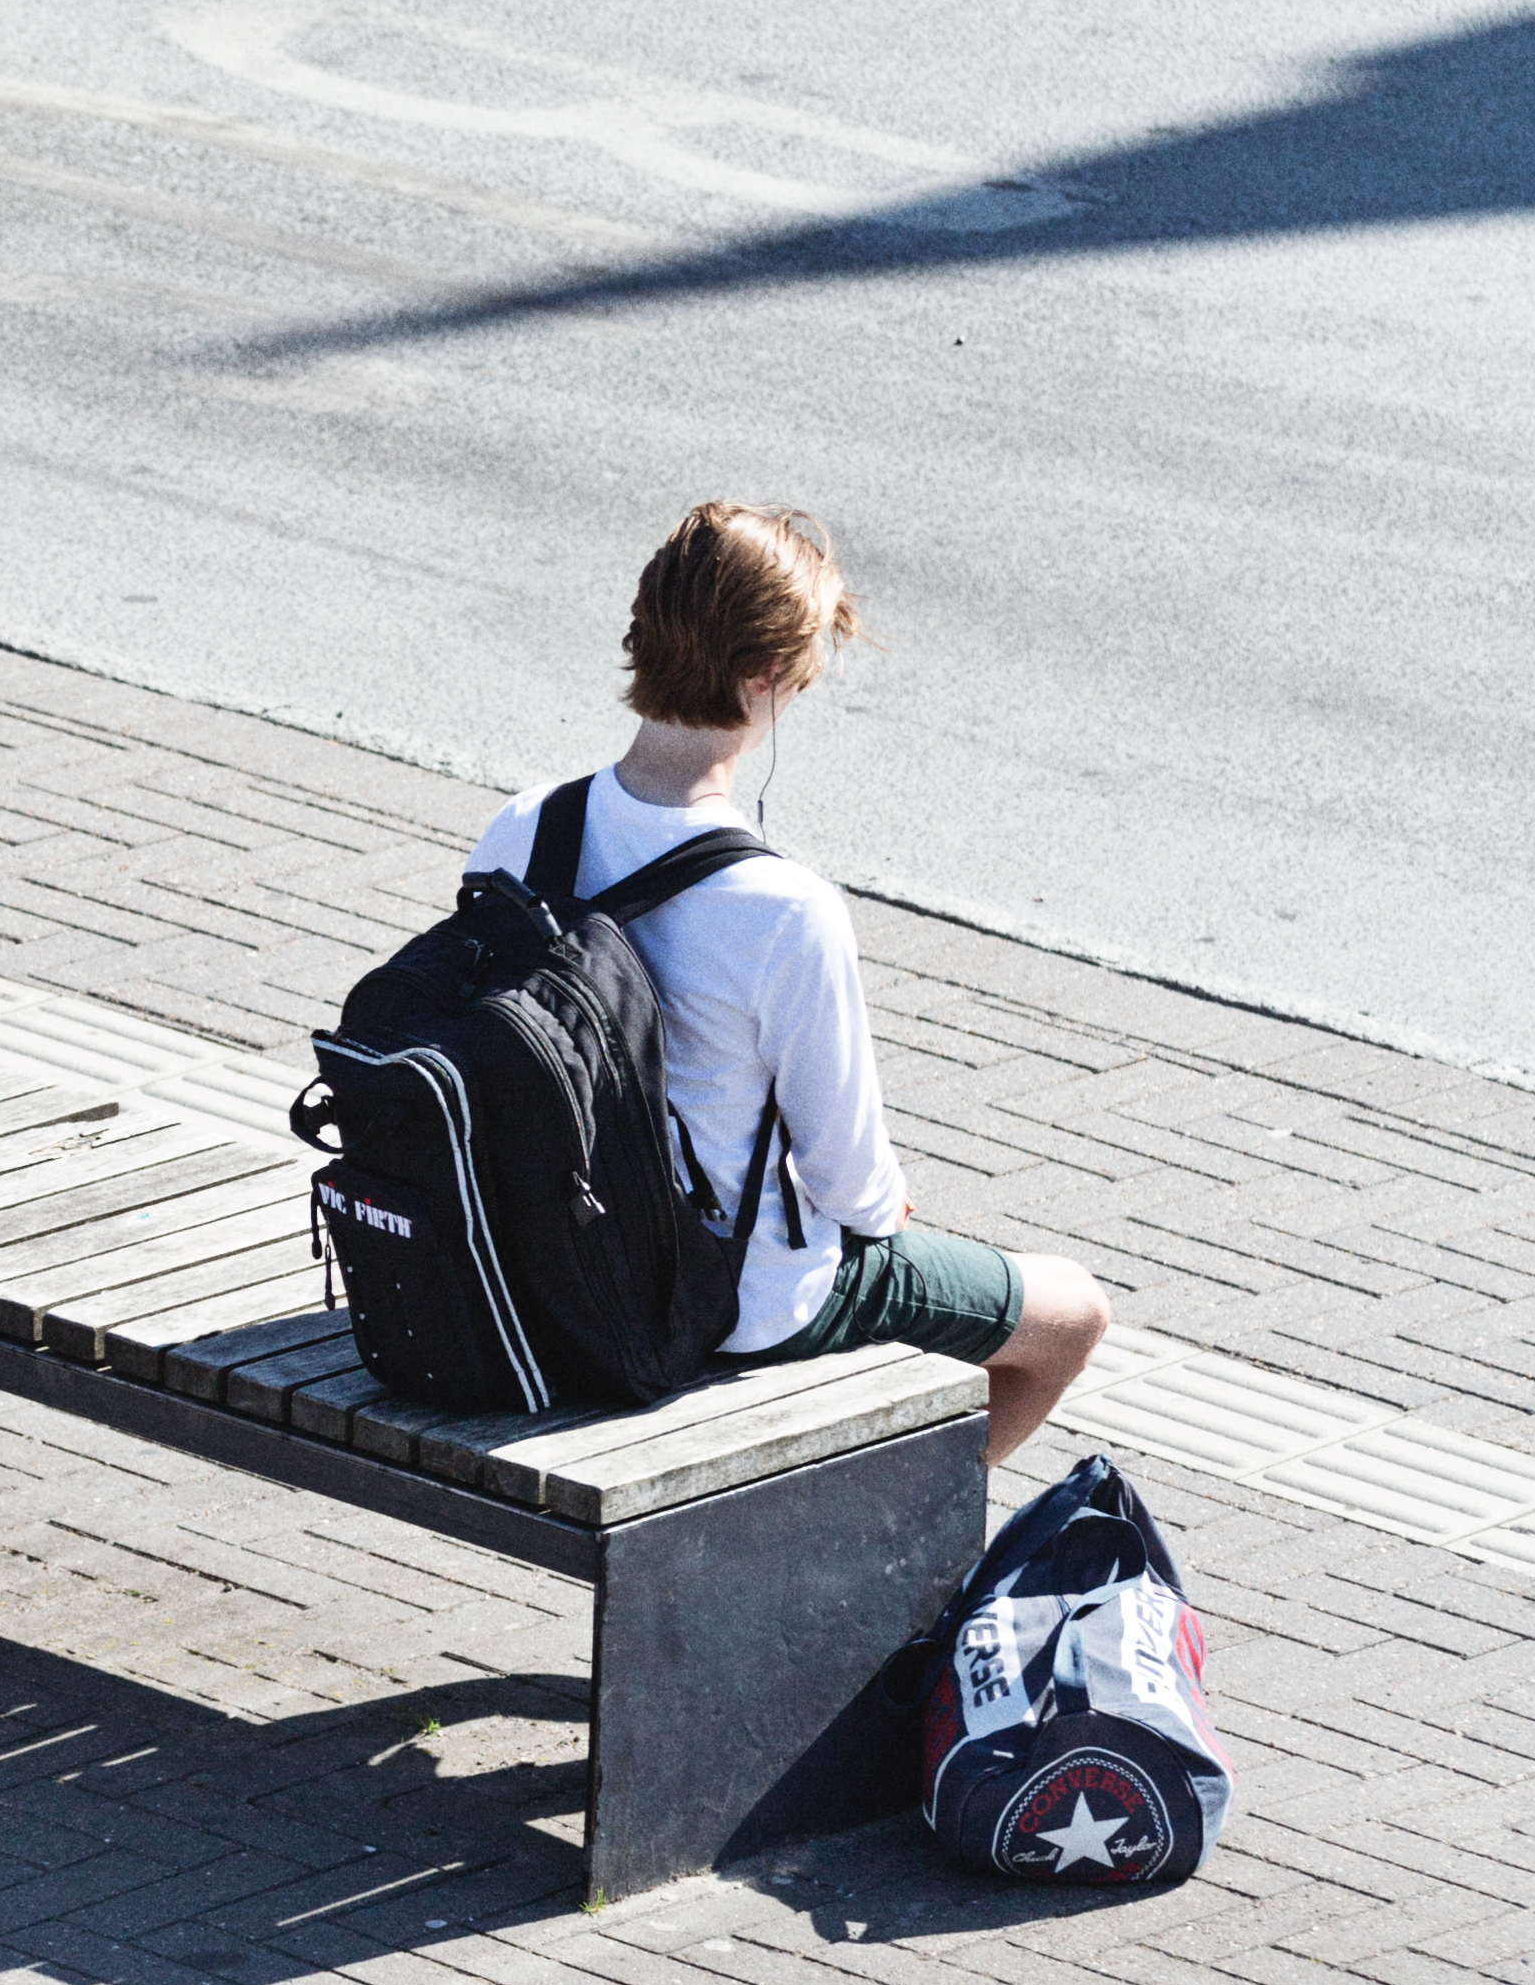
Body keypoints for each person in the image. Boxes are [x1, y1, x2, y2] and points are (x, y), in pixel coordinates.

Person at [468, 499, 1108, 1469]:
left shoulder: (523, 829)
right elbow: (854, 1187)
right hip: (733, 1302)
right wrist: (887, 1206)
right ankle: (898, 1566)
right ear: (768, 675)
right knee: (1071, 1315)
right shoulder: (782, 910)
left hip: (547, 1263)